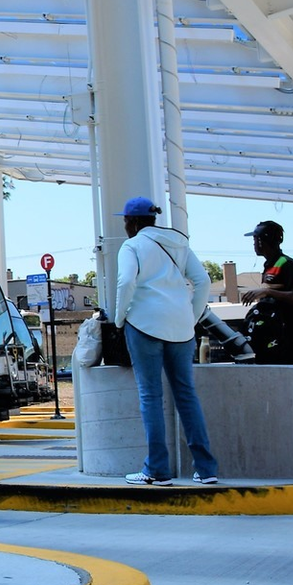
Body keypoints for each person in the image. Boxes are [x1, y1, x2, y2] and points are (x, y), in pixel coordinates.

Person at [112, 197, 218, 486]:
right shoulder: (179, 244)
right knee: (186, 395)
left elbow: (125, 282)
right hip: (182, 329)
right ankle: (206, 469)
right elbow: (203, 281)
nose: (124, 225)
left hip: (144, 325)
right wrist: (191, 317)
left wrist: (120, 318)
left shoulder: (132, 246)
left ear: (132, 222)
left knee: (151, 396)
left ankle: (157, 470)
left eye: (124, 220)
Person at [242, 220, 293, 365]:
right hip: (272, 339)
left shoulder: (286, 263)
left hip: (288, 341)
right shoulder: (269, 265)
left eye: (254, 239)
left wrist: (267, 291)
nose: (253, 244)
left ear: (262, 240)